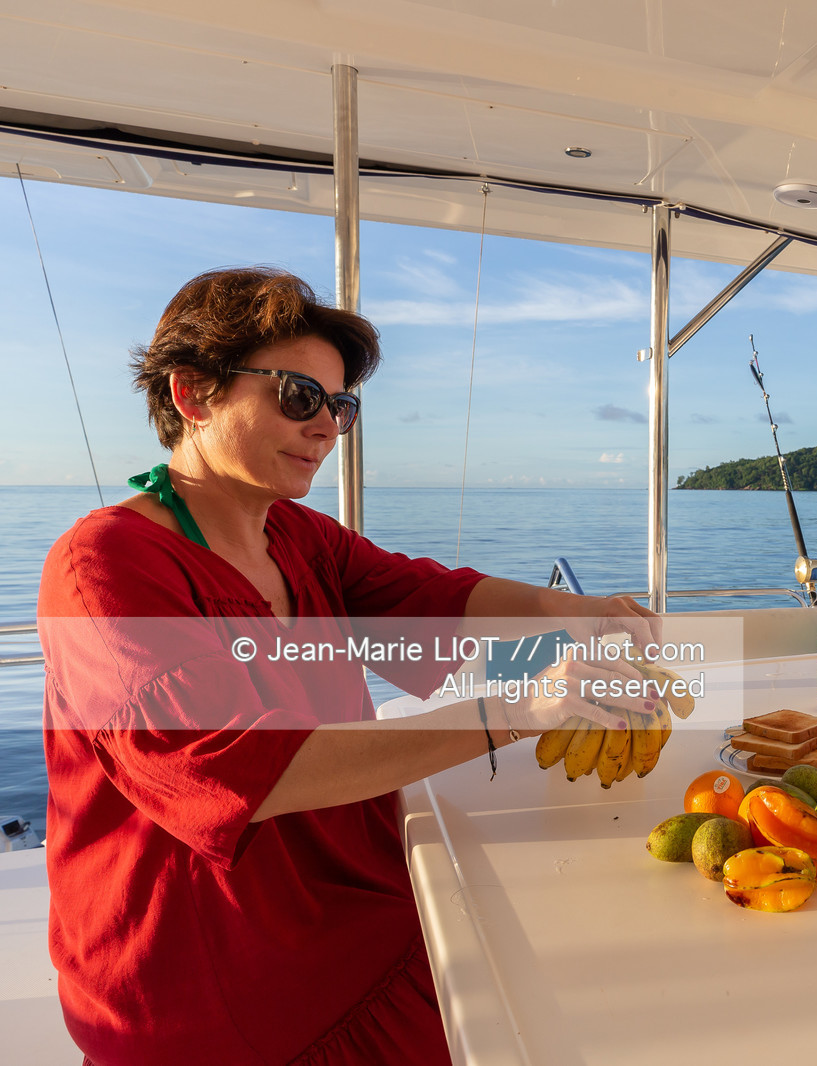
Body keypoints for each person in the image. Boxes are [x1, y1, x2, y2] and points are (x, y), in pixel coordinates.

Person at [37, 267, 660, 1065]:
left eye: (341, 406)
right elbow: (232, 767)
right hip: (213, 989)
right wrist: (512, 712)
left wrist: (583, 612)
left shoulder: (298, 536)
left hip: (361, 922)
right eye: (299, 396)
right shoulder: (106, 565)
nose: (326, 426)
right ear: (192, 393)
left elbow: (429, 597)